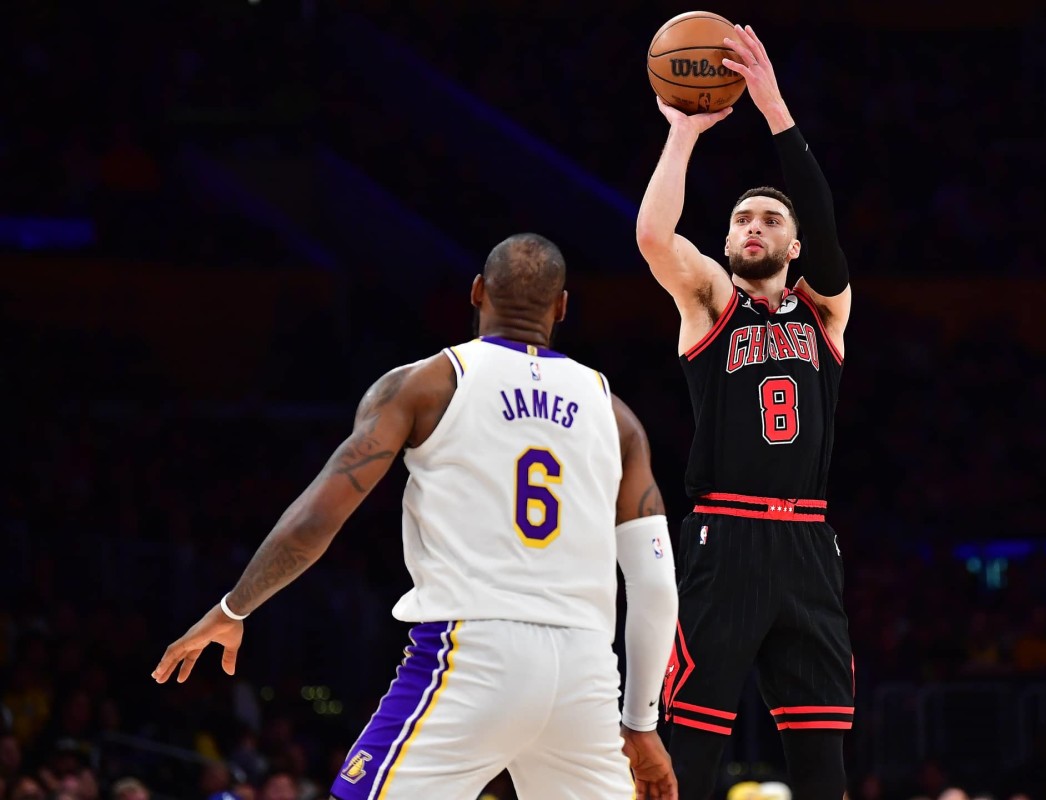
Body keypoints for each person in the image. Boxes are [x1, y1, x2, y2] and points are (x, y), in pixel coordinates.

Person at [151, 233, 680, 800]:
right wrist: (642, 723)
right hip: (585, 673)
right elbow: (654, 584)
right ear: (562, 307)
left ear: (477, 292)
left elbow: (315, 522)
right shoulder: (616, 416)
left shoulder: (428, 383)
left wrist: (235, 607)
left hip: (475, 649)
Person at [635, 24, 853, 800]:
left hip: (808, 543)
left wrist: (772, 106)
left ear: (794, 246)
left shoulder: (825, 312)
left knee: (821, 762)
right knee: (689, 753)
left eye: (769, 221)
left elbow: (826, 226)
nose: (752, 227)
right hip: (723, 537)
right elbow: (655, 236)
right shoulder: (711, 305)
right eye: (740, 221)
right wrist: (684, 135)